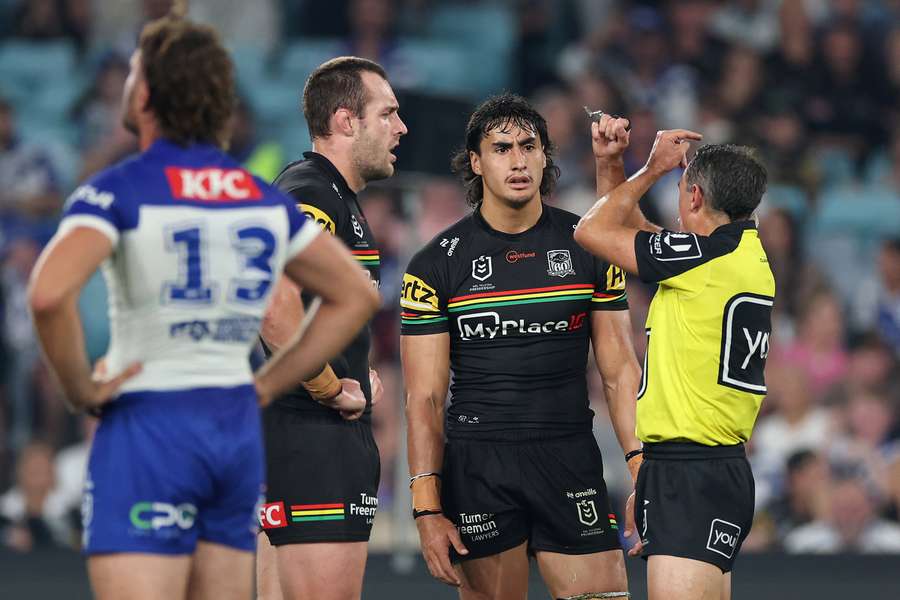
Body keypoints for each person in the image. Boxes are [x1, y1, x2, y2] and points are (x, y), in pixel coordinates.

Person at [27, 15, 379, 600]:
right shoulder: (254, 196)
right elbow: (356, 294)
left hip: (149, 429)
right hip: (233, 431)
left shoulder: (119, 188)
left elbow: (46, 294)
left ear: (145, 95)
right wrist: (274, 385)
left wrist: (82, 390)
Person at [401, 93, 642, 599]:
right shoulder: (434, 265)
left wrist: (641, 467)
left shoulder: (589, 244)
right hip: (478, 465)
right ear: (476, 162)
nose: (517, 160)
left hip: (568, 454)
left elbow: (620, 371)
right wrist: (427, 507)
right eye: (501, 148)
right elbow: (423, 397)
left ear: (545, 156)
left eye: (529, 146)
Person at [574, 133, 775, 600]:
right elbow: (632, 231)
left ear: (696, 195)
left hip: (690, 473)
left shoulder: (703, 260)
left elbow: (591, 230)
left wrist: (652, 169)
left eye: (682, 186)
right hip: (710, 467)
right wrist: (612, 163)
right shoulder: (740, 255)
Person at [255, 56, 407, 600]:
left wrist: (352, 364)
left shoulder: (334, 198)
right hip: (312, 441)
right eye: (387, 113)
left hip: (296, 440)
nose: (401, 128)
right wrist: (327, 382)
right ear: (346, 121)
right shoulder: (312, 190)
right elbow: (275, 303)